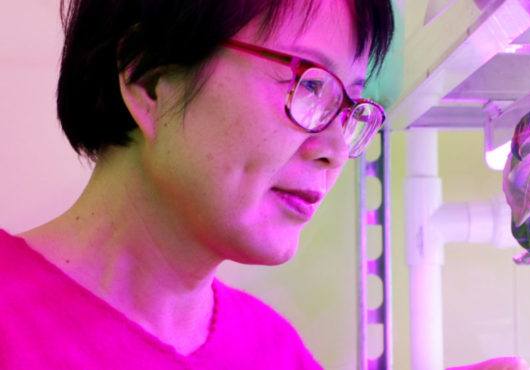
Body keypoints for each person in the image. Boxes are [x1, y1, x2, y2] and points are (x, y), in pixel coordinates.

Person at [0, 0, 392, 368]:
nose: (336, 150)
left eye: (348, 107)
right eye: (310, 85)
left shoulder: (278, 353)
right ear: (149, 80)